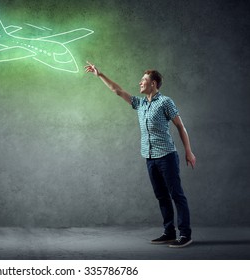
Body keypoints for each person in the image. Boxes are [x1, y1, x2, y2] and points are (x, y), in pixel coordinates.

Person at [84, 62, 196, 248]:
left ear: (154, 83)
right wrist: (100, 74)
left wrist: (189, 151)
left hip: (167, 156)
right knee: (161, 196)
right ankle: (169, 232)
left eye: (144, 80)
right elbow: (118, 91)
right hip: (150, 157)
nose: (140, 83)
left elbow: (180, 126)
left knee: (176, 194)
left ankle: (185, 234)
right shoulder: (140, 103)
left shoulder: (165, 102)